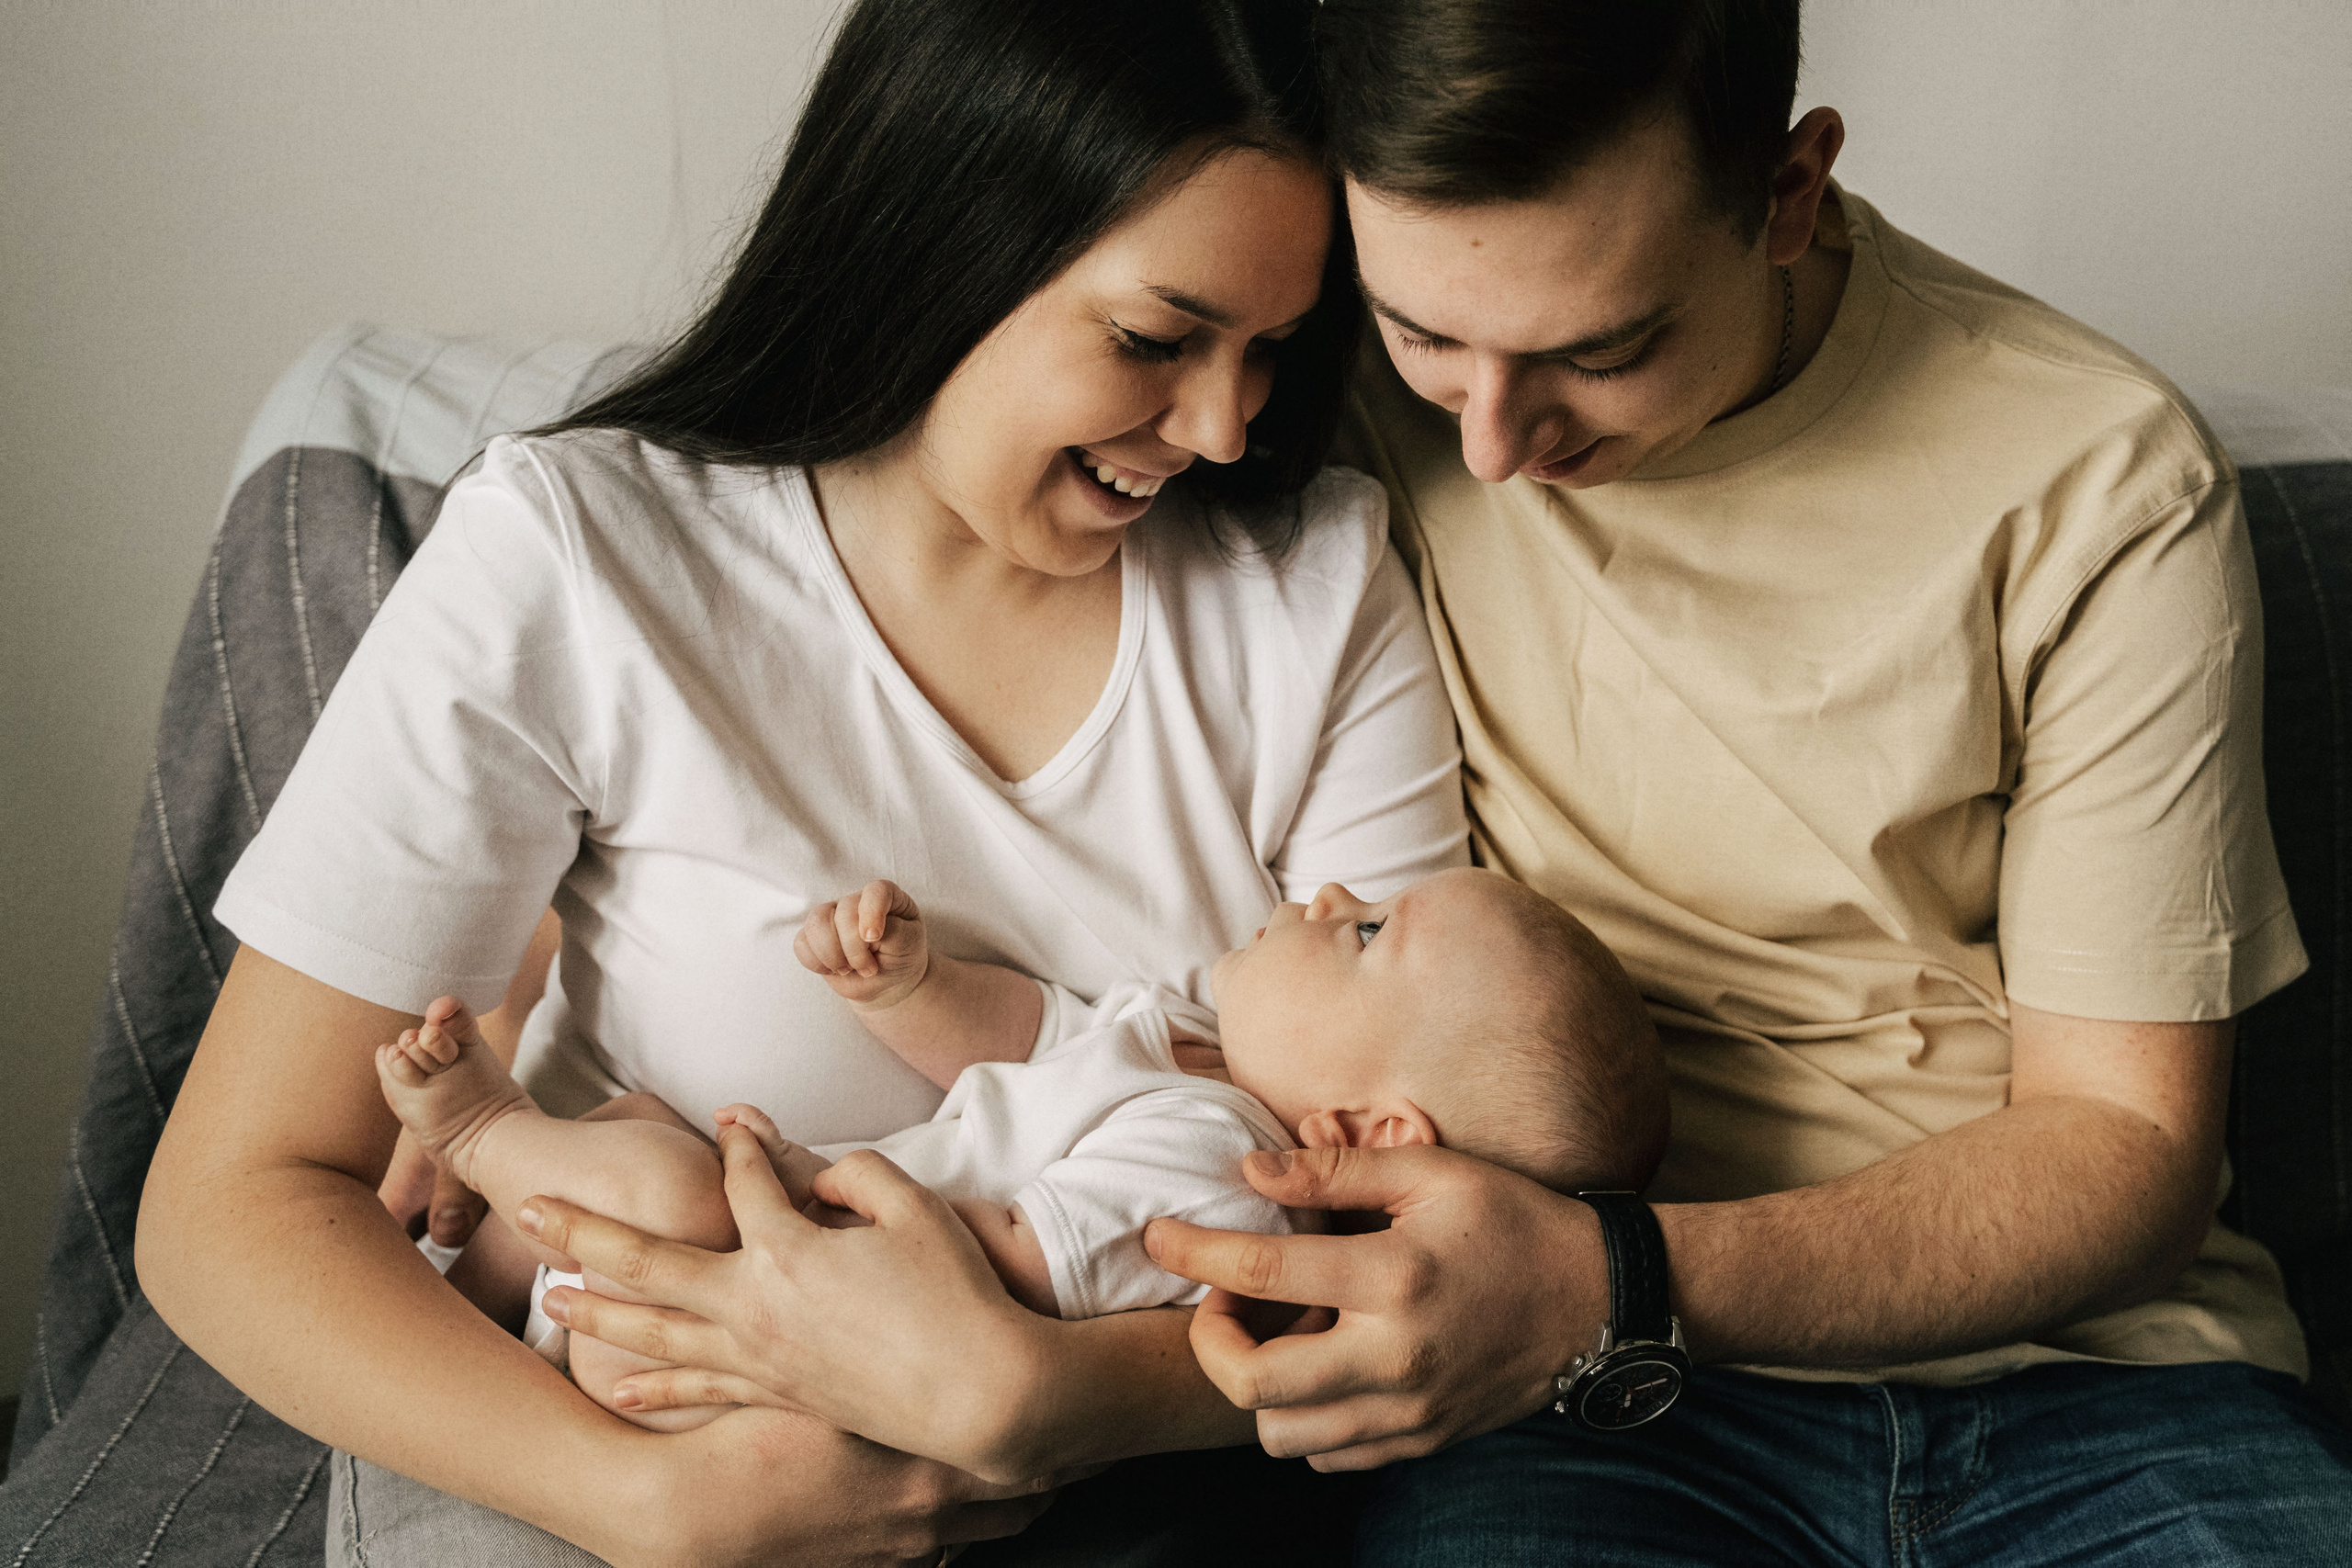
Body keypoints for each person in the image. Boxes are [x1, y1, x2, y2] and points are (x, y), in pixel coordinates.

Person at [132, 1, 1476, 1563]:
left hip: (1149, 1481)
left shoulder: (1314, 589)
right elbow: (234, 1204)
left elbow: (1410, 1223)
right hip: (637, 1442)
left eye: (1272, 351)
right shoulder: (582, 557)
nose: (1223, 426)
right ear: (942, 237)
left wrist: (1049, 1396)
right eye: (1157, 339)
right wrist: (644, 1504)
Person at [1129, 0, 2352, 1562]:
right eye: (1428, 336)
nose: (1495, 445)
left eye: (1600, 350)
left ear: (1789, 191)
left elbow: (2127, 1146)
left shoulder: (2098, 479)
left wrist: (1606, 1279)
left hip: (2103, 1390)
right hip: (1580, 1415)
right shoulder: (1325, 395)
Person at [370, 866, 1662, 1431]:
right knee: (646, 1125)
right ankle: (470, 1294)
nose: (1327, 898)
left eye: (1372, 933)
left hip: (754, 1340)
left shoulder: (1230, 1178)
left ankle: (482, 1139)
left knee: (664, 1174)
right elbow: (1025, 1040)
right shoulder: (1191, 1047)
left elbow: (999, 1265)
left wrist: (776, 1197)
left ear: (1372, 1135)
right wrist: (908, 992)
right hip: (741, 1287)